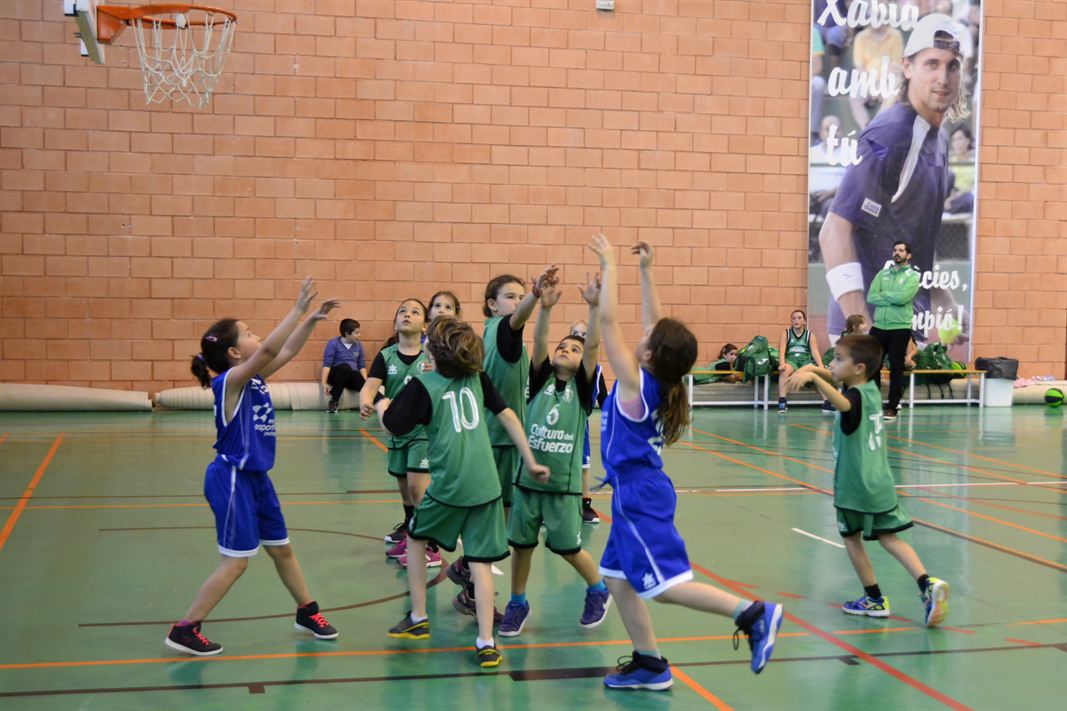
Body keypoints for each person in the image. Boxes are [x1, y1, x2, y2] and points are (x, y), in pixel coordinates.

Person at [589, 234, 783, 690]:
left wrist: (611, 265)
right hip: (635, 490)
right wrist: (646, 271)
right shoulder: (660, 379)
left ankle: (752, 613)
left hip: (639, 494)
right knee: (616, 579)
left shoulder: (636, 386)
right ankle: (650, 664)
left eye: (646, 338)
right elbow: (654, 323)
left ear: (650, 354)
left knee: (666, 588)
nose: (642, 334)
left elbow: (611, 322)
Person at [167, 278, 340, 656]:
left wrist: (311, 320)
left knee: (282, 549)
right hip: (230, 478)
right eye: (248, 333)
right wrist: (297, 309)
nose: (256, 336)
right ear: (233, 352)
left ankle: (307, 611)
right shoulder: (229, 381)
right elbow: (270, 349)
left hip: (257, 479)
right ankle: (185, 628)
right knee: (236, 563)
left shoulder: (254, 378)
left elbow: (286, 350)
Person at [376, 317, 550, 669]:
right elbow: (509, 416)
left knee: (416, 538)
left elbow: (392, 425)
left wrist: (381, 402)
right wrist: (530, 460)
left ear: (431, 349)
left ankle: (418, 617)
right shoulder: (478, 378)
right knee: (480, 562)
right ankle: (486, 642)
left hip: (450, 486)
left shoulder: (424, 384)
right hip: (486, 486)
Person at [818, 13, 968, 345]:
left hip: (907, 328)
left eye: (952, 66)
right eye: (932, 64)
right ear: (907, 67)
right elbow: (833, 232)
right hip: (871, 330)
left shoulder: (939, 139)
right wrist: (864, 333)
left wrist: (944, 300)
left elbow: (909, 239)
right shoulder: (889, 134)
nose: (943, 78)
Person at [786, 335, 949, 627]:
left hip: (855, 485)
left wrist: (813, 377)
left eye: (838, 359)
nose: (832, 364)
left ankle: (874, 599)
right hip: (880, 482)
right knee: (890, 538)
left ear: (859, 367)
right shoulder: (870, 389)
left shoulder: (852, 398)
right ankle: (927, 583)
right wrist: (812, 369)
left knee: (851, 538)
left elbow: (842, 402)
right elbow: (841, 382)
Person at [500, 272, 611, 637]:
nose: (566, 350)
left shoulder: (582, 391)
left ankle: (598, 589)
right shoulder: (539, 381)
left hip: (563, 488)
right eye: (563, 347)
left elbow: (593, 348)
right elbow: (538, 341)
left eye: (574, 350)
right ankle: (517, 602)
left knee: (567, 548)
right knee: (521, 547)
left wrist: (594, 307)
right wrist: (545, 308)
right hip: (527, 483)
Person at [446, 266, 558, 618]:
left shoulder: (506, 340)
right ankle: (472, 587)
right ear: (492, 305)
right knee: (492, 525)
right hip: (496, 442)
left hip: (504, 441)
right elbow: (519, 318)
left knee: (496, 523)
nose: (517, 301)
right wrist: (535, 297)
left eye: (520, 295)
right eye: (510, 296)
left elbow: (538, 341)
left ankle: (466, 570)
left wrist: (544, 307)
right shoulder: (500, 329)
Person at [359, 299, 440, 567]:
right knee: (405, 489)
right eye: (402, 311)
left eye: (415, 312)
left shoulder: (431, 356)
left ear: (425, 325)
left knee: (418, 488)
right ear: (395, 323)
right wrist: (365, 401)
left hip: (423, 431)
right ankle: (410, 529)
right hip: (396, 431)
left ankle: (430, 543)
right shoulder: (386, 356)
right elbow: (370, 386)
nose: (407, 315)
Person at [868, 241, 920, 421]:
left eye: (901, 250)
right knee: (872, 366)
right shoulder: (882, 274)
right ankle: (873, 404)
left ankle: (892, 407)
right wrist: (891, 298)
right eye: (895, 250)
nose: (897, 253)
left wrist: (883, 295)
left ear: (908, 255)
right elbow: (871, 297)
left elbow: (903, 298)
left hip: (899, 327)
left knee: (896, 368)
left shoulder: (913, 276)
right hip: (878, 327)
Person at [569, 318, 608, 523]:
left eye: (584, 334)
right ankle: (551, 505)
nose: (580, 337)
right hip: (559, 423)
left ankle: (584, 505)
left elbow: (605, 402)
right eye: (575, 333)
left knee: (583, 467)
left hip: (580, 425)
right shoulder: (560, 365)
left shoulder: (597, 371)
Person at [777, 310, 825, 413]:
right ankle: (782, 401)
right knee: (784, 371)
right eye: (794, 318)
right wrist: (782, 363)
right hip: (791, 361)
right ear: (791, 321)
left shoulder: (809, 335)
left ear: (804, 321)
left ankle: (827, 403)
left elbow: (815, 352)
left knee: (817, 374)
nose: (796, 320)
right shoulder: (786, 333)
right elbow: (782, 350)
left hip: (805, 361)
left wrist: (821, 366)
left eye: (799, 318)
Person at [321, 318, 367, 414]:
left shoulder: (358, 345)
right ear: (347, 334)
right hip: (336, 375)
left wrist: (366, 382)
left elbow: (361, 366)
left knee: (362, 381)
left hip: (351, 376)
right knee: (345, 367)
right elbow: (327, 364)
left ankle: (386, 403)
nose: (360, 335)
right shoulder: (333, 343)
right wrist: (324, 382)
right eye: (356, 333)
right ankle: (334, 400)